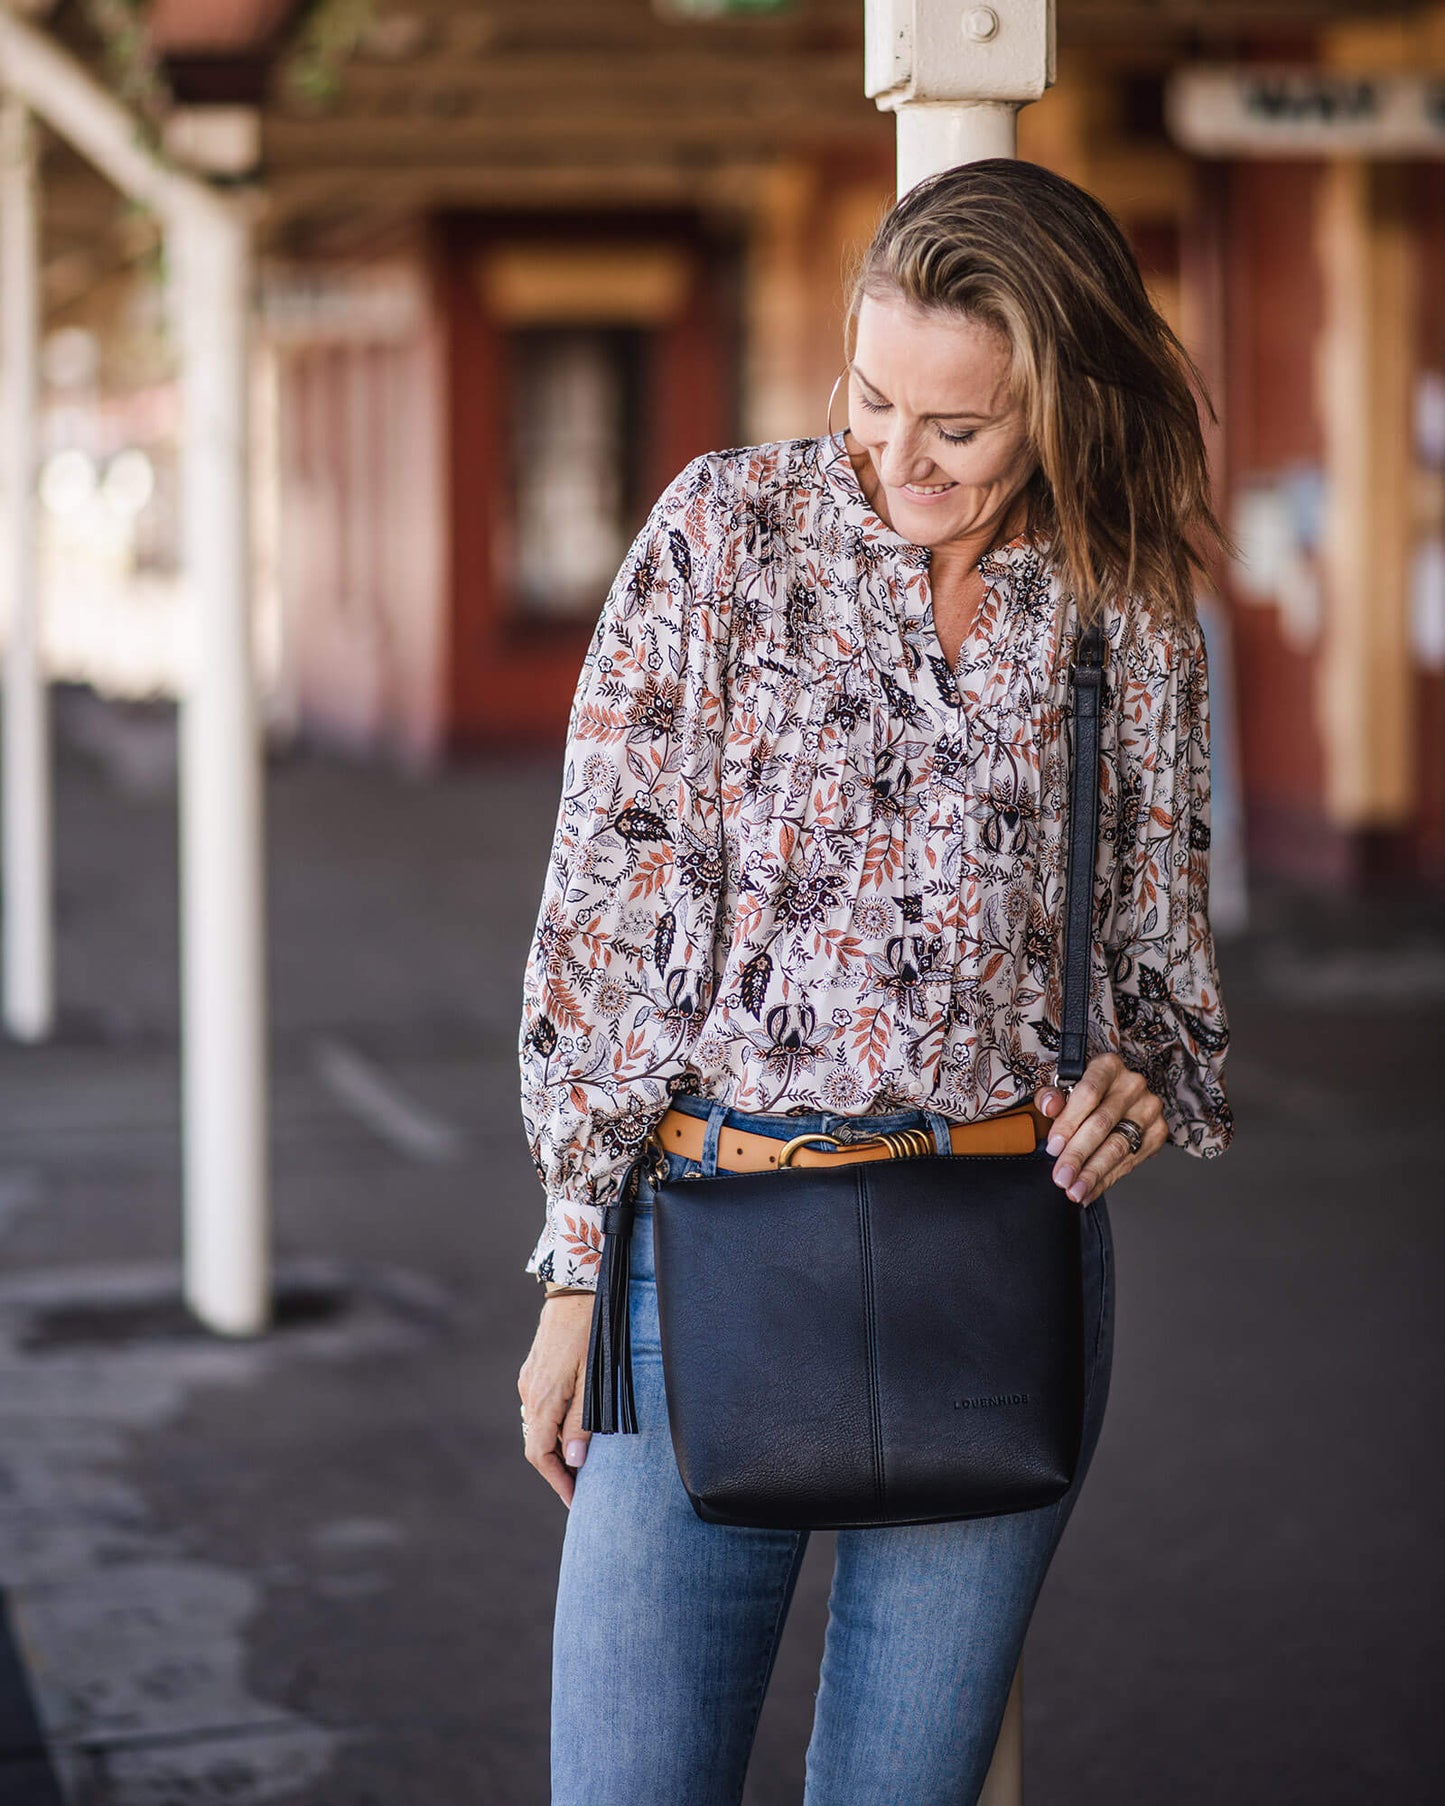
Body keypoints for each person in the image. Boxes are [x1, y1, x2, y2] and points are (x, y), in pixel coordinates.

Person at [516, 158, 1232, 1806]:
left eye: (957, 428)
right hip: (698, 1246)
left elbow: (1157, 969)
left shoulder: (1123, 604)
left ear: (1057, 402)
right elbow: (602, 924)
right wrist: (571, 1276)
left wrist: (1136, 1081)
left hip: (993, 1265)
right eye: (869, 397)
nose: (896, 458)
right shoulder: (722, 533)